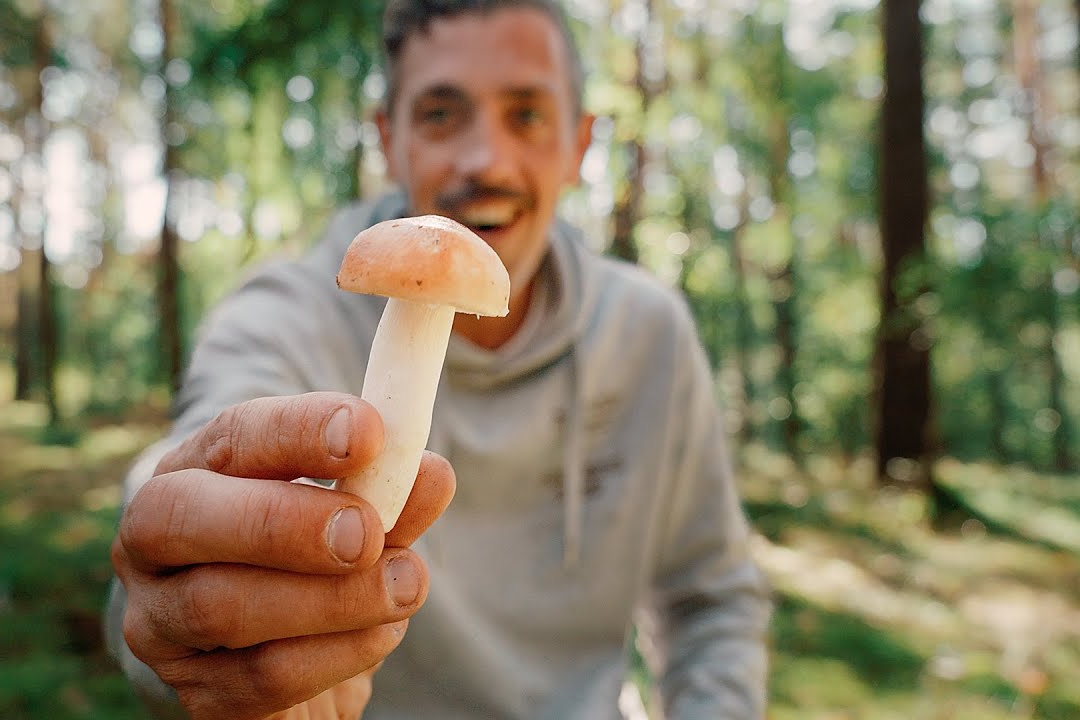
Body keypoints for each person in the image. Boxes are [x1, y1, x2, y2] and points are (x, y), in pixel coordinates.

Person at [105, 1, 772, 718]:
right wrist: (183, 589)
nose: (485, 160)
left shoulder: (650, 334)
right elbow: (203, 456)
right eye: (441, 114)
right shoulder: (287, 313)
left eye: (527, 115)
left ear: (581, 145)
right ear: (388, 140)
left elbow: (712, 598)